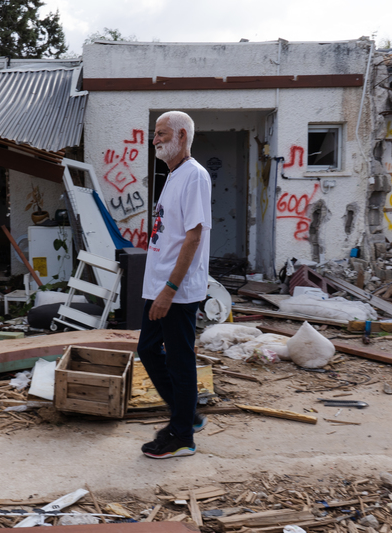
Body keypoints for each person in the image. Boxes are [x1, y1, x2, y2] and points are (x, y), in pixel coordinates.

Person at [138, 111, 212, 459]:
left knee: (180, 360)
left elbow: (194, 236)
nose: (156, 139)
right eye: (155, 133)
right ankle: (187, 415)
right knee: (149, 349)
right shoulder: (174, 174)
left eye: (162, 133)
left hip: (176, 290)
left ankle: (182, 435)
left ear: (182, 136)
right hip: (159, 284)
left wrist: (169, 289)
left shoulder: (194, 176)